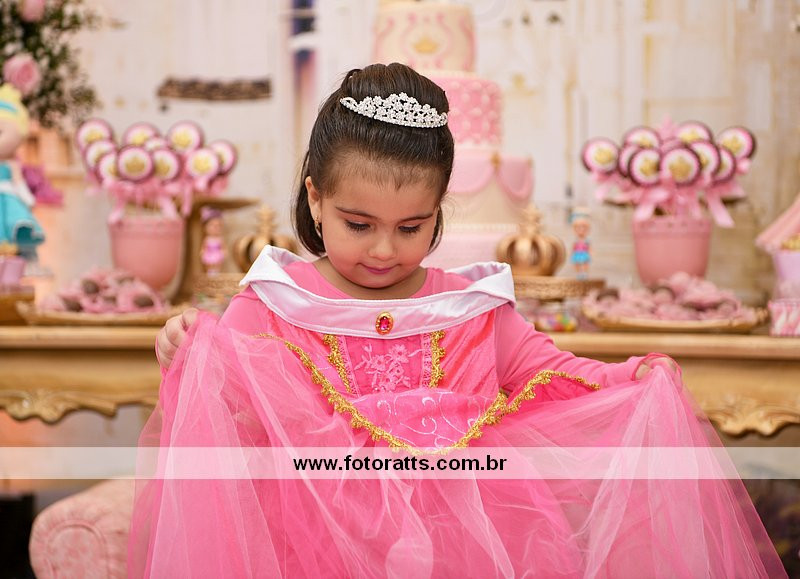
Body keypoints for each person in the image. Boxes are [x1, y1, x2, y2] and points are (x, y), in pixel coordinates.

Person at [130, 63, 785, 578]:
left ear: (439, 209)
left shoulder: (468, 308)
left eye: (411, 227)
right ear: (316, 199)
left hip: (468, 544)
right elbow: (229, 408)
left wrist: (629, 376)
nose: (383, 249)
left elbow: (552, 373)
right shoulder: (274, 301)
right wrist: (186, 350)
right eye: (359, 225)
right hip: (315, 541)